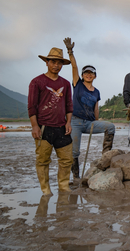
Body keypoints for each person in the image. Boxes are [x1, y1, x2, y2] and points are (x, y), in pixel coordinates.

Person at [63, 38, 116, 179]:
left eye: (91, 73)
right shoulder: (78, 84)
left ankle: (105, 159)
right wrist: (70, 52)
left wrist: (96, 122)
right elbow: (74, 67)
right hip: (75, 122)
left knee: (110, 127)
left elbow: (96, 109)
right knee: (74, 152)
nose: (88, 74)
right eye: (86, 72)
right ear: (82, 75)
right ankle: (75, 177)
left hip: (89, 123)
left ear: (95, 76)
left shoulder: (96, 91)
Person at [28, 47, 74, 196]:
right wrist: (34, 126)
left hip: (62, 127)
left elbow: (69, 105)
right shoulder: (37, 82)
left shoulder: (66, 83)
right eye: (53, 62)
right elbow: (32, 106)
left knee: (67, 160)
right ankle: (46, 191)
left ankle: (64, 187)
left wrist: (68, 122)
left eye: (59, 63)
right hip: (43, 128)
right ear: (47, 62)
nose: (56, 65)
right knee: (43, 161)